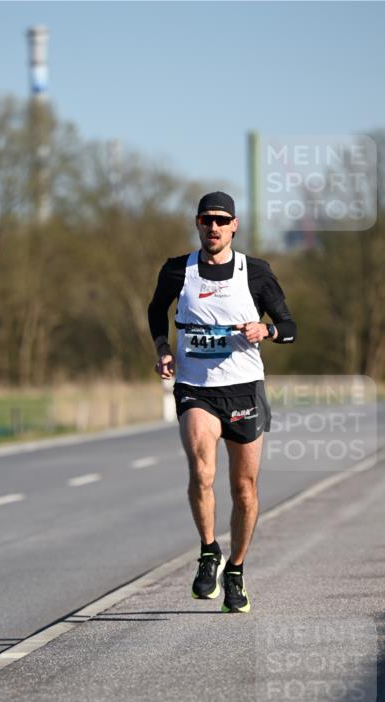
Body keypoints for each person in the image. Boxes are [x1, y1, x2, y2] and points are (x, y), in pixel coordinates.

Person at [148, 192, 297, 613]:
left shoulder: (256, 273)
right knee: (202, 470)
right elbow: (155, 310)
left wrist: (265, 332)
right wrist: (162, 346)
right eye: (205, 220)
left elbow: (290, 326)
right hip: (196, 388)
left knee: (244, 489)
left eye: (221, 220)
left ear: (234, 226)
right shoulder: (178, 270)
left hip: (245, 388)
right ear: (197, 224)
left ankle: (235, 570)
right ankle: (209, 550)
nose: (213, 227)